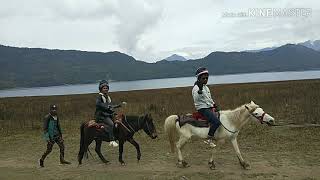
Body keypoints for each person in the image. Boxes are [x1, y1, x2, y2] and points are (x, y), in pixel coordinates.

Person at [192, 67, 221, 147]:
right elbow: (196, 98)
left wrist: (214, 104)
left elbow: (209, 98)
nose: (205, 79)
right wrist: (200, 91)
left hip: (209, 107)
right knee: (216, 122)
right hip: (203, 109)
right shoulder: (196, 88)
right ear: (199, 78)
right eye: (203, 78)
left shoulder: (206, 87)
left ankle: (215, 135)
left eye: (206, 78)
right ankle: (209, 139)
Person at [95, 80, 120, 147]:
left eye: (106, 88)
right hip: (101, 115)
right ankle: (112, 140)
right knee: (111, 124)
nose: (106, 89)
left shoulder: (107, 97)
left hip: (107, 114)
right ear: (101, 89)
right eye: (104, 88)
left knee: (118, 120)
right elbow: (98, 104)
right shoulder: (99, 97)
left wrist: (118, 105)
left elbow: (110, 106)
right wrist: (107, 107)